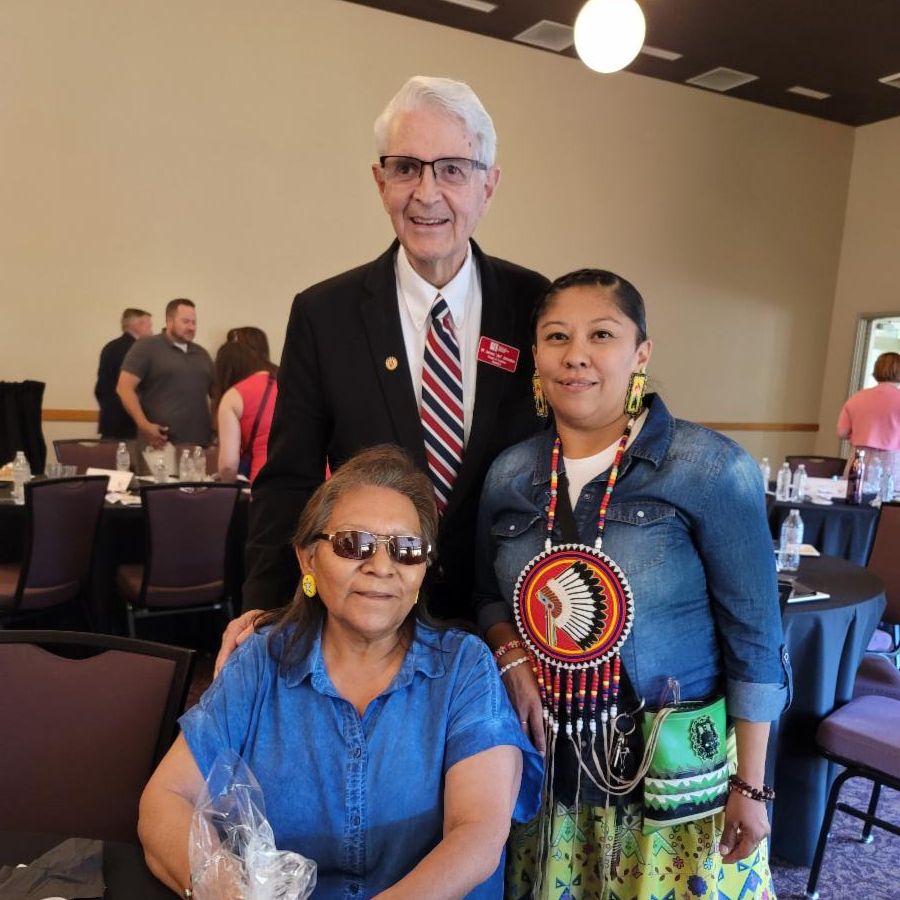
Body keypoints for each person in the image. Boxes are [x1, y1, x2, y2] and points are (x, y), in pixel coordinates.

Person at [474, 269, 791, 899]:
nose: (577, 356)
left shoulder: (708, 468)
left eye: (602, 334)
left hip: (671, 774)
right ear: (536, 356)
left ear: (640, 352)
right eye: (556, 337)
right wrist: (509, 651)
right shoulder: (510, 474)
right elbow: (485, 592)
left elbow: (755, 638)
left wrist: (751, 786)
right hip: (551, 775)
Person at [139, 445, 542, 899]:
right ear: (307, 559)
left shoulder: (465, 668)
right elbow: (164, 801)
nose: (381, 567)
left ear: (424, 570)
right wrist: (228, 890)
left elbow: (477, 835)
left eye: (407, 550)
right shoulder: (260, 661)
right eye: (355, 544)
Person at [240, 75, 549, 623]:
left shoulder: (536, 307)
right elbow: (290, 480)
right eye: (406, 168)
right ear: (380, 182)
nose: (426, 194)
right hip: (367, 621)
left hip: (510, 625)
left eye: (453, 169)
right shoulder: (323, 314)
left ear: (489, 185)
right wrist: (265, 611)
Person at [117, 298, 214, 449]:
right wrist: (144, 425)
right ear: (169, 321)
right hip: (159, 443)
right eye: (185, 321)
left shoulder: (202, 354)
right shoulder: (146, 346)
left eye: (194, 322)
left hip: (199, 444)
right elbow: (124, 388)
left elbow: (217, 395)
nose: (191, 327)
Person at [213, 338, 278, 482]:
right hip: (319, 485)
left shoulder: (234, 396)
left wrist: (229, 487)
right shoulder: (288, 380)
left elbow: (228, 466)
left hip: (269, 486)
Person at [837, 351, 900, 484]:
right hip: (893, 461)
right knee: (889, 501)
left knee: (853, 496)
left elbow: (841, 432)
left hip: (859, 458)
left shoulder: (857, 397)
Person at [94, 308, 153, 438]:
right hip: (130, 424)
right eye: (149, 326)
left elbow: (100, 389)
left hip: (110, 422)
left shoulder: (109, 347)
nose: (152, 331)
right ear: (139, 325)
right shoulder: (138, 351)